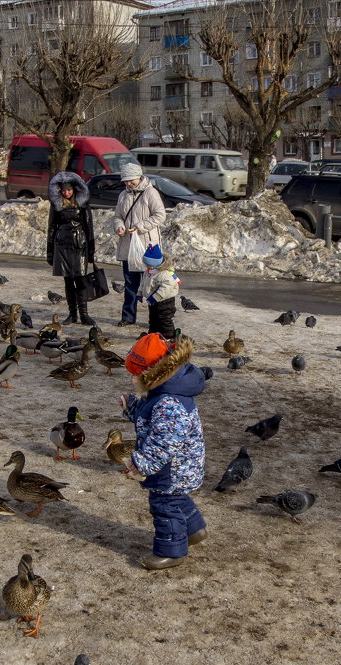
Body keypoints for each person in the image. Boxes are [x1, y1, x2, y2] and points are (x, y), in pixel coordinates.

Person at [121, 333, 207, 570]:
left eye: (136, 374)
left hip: (173, 467)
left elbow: (164, 442)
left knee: (164, 505)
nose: (132, 378)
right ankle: (194, 529)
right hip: (180, 465)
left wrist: (142, 463)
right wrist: (133, 407)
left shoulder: (169, 401)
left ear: (151, 372)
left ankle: (171, 551)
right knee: (176, 498)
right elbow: (151, 420)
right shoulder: (164, 389)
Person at [113, 162, 166, 327]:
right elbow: (117, 216)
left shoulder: (151, 193)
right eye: (126, 181)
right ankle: (128, 316)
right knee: (130, 283)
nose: (128, 183)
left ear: (139, 177)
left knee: (151, 284)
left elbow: (160, 215)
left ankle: (154, 319)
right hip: (129, 247)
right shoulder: (123, 195)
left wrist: (141, 227)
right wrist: (119, 226)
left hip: (148, 247)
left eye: (131, 180)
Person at [46, 170, 96, 326]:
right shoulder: (56, 205)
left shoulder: (82, 204)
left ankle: (84, 314)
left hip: (79, 244)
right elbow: (51, 227)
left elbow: (88, 226)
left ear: (74, 189)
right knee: (68, 281)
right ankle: (72, 314)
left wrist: (91, 248)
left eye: (69, 190)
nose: (66, 193)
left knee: (80, 280)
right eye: (64, 190)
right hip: (62, 244)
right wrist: (49, 250)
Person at [137, 244, 179, 339]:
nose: (147, 266)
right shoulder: (148, 272)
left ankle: (169, 337)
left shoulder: (165, 274)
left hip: (165, 302)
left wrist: (155, 298)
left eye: (149, 265)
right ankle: (153, 336)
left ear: (156, 264)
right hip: (152, 301)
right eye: (146, 264)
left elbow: (166, 288)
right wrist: (139, 293)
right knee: (153, 319)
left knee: (164, 320)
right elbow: (143, 283)